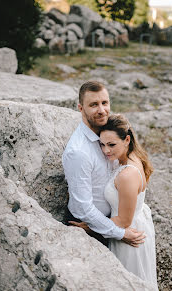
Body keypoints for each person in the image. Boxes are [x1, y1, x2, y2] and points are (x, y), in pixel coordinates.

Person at [62, 80, 145, 247]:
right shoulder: (79, 151)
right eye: (93, 104)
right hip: (87, 227)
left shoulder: (110, 134)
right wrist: (120, 233)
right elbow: (83, 208)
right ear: (80, 108)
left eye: (104, 103)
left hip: (112, 221)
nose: (102, 110)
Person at [99, 113, 158, 289]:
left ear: (126, 139)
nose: (106, 150)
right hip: (135, 224)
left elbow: (124, 220)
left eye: (111, 145)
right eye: (102, 144)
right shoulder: (130, 157)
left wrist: (90, 226)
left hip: (128, 234)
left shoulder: (127, 174)